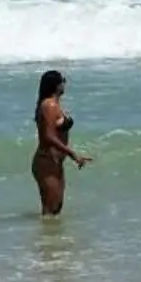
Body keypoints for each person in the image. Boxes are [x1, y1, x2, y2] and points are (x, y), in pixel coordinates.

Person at [32, 70, 92, 217]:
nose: (65, 83)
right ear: (56, 85)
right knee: (50, 210)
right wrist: (72, 154)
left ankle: (52, 239)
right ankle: (46, 239)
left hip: (56, 163)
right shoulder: (49, 105)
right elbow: (48, 136)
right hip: (47, 161)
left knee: (56, 208)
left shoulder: (55, 105)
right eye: (63, 80)